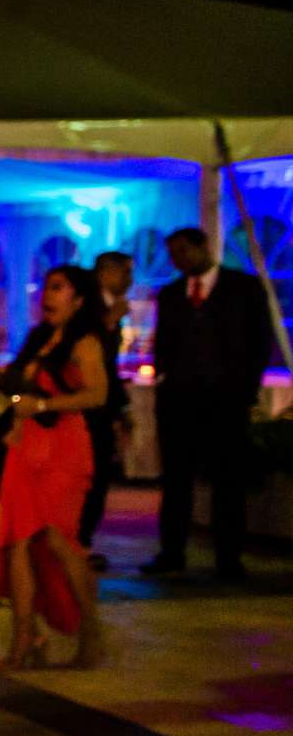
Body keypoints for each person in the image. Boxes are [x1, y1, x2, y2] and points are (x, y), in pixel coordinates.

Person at [0, 265, 108, 670]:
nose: (47, 295)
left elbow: (97, 395)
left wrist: (45, 406)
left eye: (58, 288)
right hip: (27, 448)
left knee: (58, 540)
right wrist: (18, 418)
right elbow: (24, 392)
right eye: (46, 287)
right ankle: (24, 637)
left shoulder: (86, 341)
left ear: (79, 299)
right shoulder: (40, 338)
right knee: (19, 543)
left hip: (64, 449)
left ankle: (91, 630)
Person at [146, 227, 274, 580]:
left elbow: (259, 343)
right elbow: (165, 345)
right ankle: (172, 552)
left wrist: (245, 390)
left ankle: (228, 557)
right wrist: (165, 380)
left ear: (203, 247)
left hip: (225, 401)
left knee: (227, 481)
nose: (178, 260)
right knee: (176, 482)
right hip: (179, 402)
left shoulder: (243, 288)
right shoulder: (171, 294)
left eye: (184, 251)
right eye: (174, 254)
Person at [79, 251, 133, 565]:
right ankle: (80, 539)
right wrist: (110, 321)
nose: (129, 281)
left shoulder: (108, 306)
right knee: (92, 472)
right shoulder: (89, 305)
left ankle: (83, 538)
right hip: (88, 405)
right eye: (125, 273)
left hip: (103, 403)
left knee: (99, 472)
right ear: (107, 272)